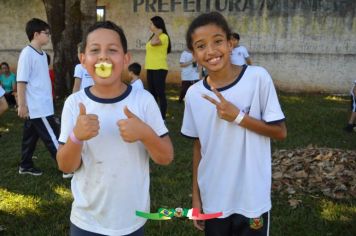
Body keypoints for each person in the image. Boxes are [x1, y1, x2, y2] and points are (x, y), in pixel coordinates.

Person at [57, 21, 174, 235]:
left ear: (126, 59)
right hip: (86, 222)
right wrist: (76, 137)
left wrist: (145, 133)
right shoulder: (74, 104)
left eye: (112, 50)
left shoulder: (144, 100)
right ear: (83, 60)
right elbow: (65, 166)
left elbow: (166, 157)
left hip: (132, 221)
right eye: (94, 50)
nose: (103, 57)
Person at [181, 12, 287, 236]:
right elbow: (199, 146)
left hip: (252, 199)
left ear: (231, 43)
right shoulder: (193, 94)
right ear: (193, 54)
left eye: (218, 41)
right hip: (214, 199)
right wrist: (197, 198)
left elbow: (279, 132)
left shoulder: (258, 78)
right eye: (201, 46)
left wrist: (238, 116)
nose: (211, 51)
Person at [16, 18, 60, 176]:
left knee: (30, 138)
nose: (48, 36)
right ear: (36, 34)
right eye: (46, 33)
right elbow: (21, 81)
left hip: (43, 104)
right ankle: (66, 166)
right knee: (52, 137)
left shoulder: (42, 55)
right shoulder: (27, 54)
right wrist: (22, 105)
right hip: (38, 107)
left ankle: (25, 165)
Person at [145, 15, 171, 120]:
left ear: (157, 25)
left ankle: (163, 118)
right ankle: (154, 116)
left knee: (160, 94)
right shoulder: (153, 36)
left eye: (151, 23)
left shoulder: (163, 36)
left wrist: (158, 32)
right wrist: (156, 33)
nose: (150, 25)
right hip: (150, 68)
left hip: (160, 68)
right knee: (152, 94)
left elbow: (154, 43)